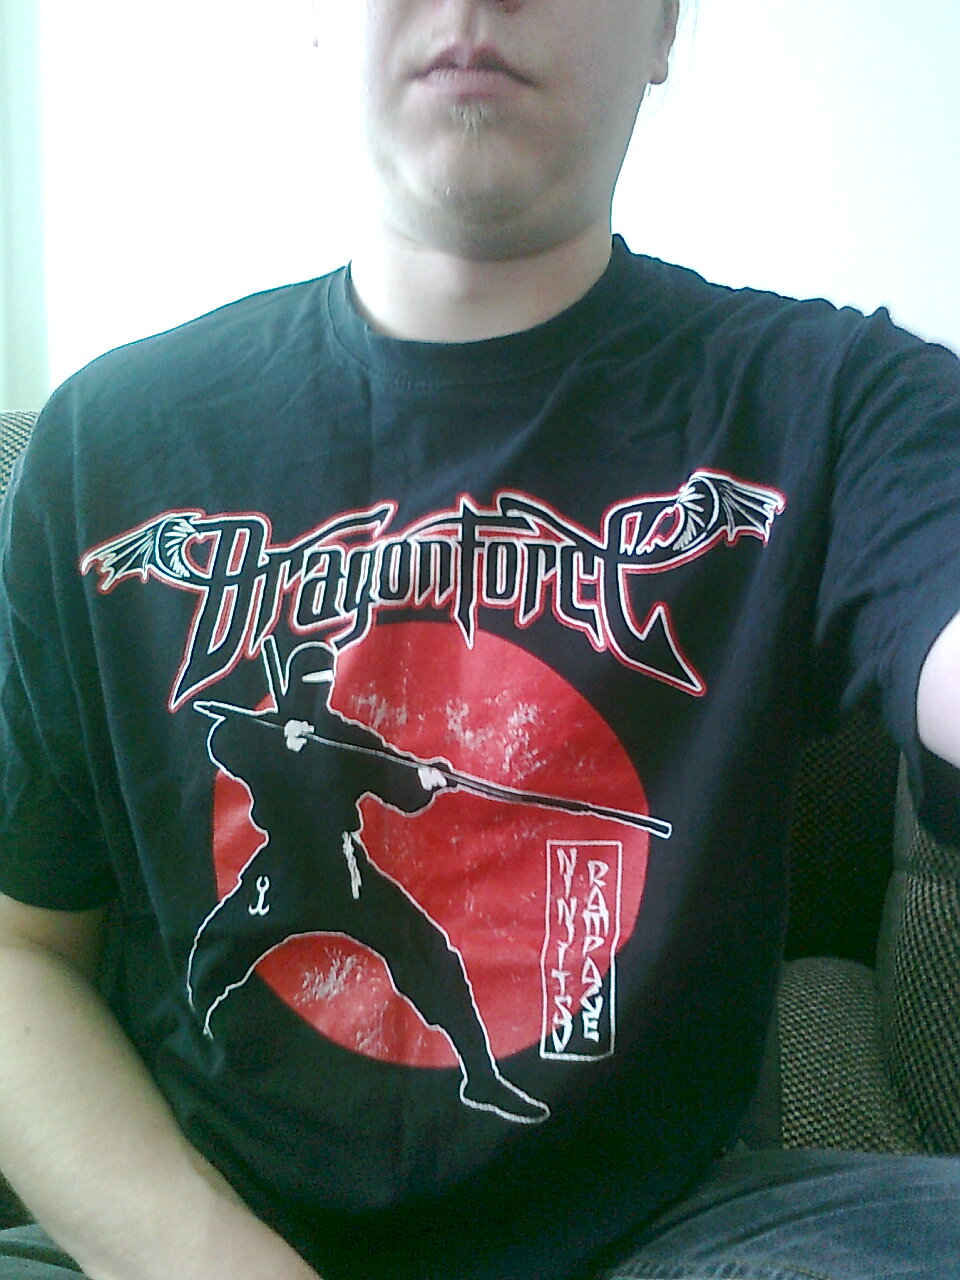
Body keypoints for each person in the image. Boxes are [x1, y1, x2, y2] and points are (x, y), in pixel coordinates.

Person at [0, 2, 957, 1279]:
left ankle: (480, 1069)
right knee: (230, 961)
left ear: (662, 26)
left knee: (431, 961)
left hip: (669, 1233)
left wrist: (417, 772)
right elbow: (22, 949)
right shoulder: (108, 447)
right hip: (210, 1193)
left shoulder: (834, 400)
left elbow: (398, 785)